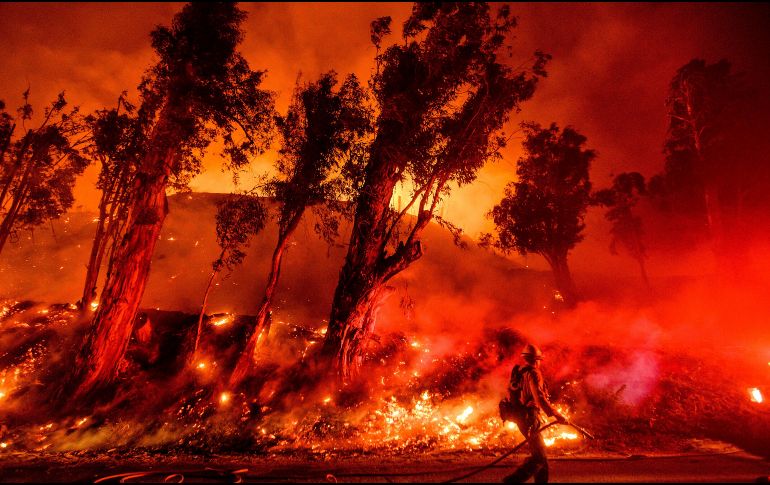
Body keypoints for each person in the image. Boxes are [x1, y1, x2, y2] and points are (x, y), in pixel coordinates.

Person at [503, 344, 567, 484]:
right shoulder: (534, 373)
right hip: (530, 418)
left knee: (541, 457)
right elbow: (539, 397)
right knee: (539, 458)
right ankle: (511, 481)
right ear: (537, 359)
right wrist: (557, 415)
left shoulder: (519, 372)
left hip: (522, 417)